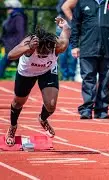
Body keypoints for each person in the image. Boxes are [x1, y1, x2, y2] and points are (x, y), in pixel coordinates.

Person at [5, 17, 70, 146]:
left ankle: (43, 119)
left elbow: (66, 34)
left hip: (47, 71)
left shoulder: (59, 46)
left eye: (46, 53)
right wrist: (28, 47)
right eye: (40, 53)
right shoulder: (30, 43)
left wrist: (65, 26)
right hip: (27, 72)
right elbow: (10, 55)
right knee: (18, 102)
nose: (42, 56)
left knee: (51, 105)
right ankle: (12, 127)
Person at [70, 0, 109, 119]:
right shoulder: (83, 2)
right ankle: (87, 109)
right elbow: (75, 24)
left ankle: (102, 110)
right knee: (88, 79)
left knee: (106, 81)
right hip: (88, 47)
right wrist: (74, 45)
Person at [0, 0, 27, 78]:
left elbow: (20, 31)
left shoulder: (18, 16)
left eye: (9, 7)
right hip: (10, 44)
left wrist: (20, 45)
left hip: (14, 45)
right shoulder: (11, 16)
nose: (7, 9)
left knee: (3, 63)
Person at [56, 0, 77, 81]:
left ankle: (70, 75)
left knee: (72, 51)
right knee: (63, 52)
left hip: (70, 27)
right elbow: (62, 8)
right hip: (63, 27)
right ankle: (65, 75)